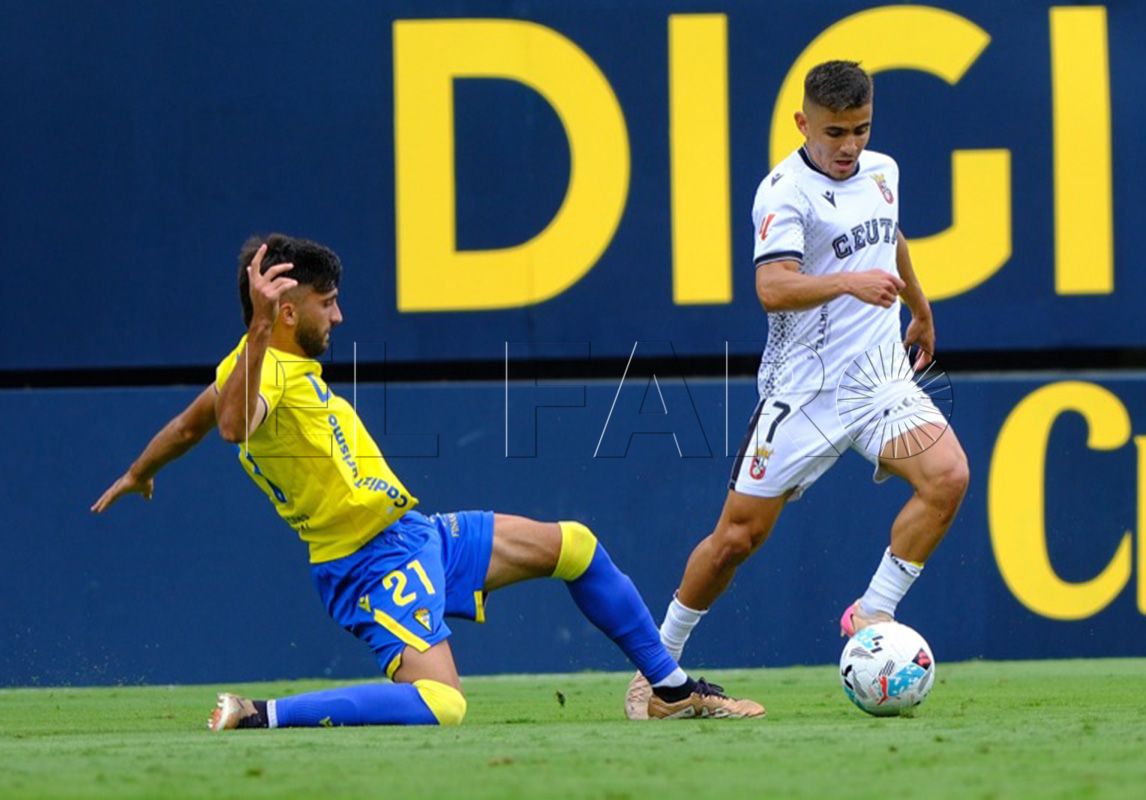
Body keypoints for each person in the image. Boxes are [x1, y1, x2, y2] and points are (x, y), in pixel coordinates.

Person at [93, 233, 764, 729]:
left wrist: (138, 472)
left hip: (414, 534)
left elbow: (190, 426)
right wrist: (258, 329)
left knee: (574, 547)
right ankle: (259, 713)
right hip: (366, 565)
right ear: (286, 312)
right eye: (327, 303)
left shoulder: (253, 365)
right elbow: (233, 426)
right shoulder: (261, 370)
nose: (339, 316)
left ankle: (670, 690)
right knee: (444, 704)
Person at [625, 60, 970, 719]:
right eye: (835, 131)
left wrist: (920, 305)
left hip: (877, 381)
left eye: (861, 129)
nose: (848, 146)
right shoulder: (784, 194)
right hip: (804, 394)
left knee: (948, 476)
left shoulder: (882, 170)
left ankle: (874, 611)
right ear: (802, 123)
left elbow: (886, 235)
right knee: (734, 540)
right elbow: (772, 287)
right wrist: (846, 282)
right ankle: (656, 678)